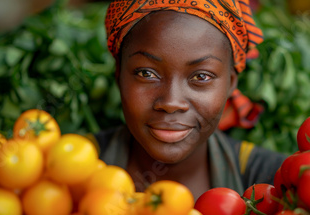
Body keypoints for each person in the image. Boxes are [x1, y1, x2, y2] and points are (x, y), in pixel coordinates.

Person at [95, 0, 286, 199]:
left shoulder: (276, 183)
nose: (171, 103)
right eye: (146, 73)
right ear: (119, 75)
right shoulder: (69, 166)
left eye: (201, 77)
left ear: (230, 84)